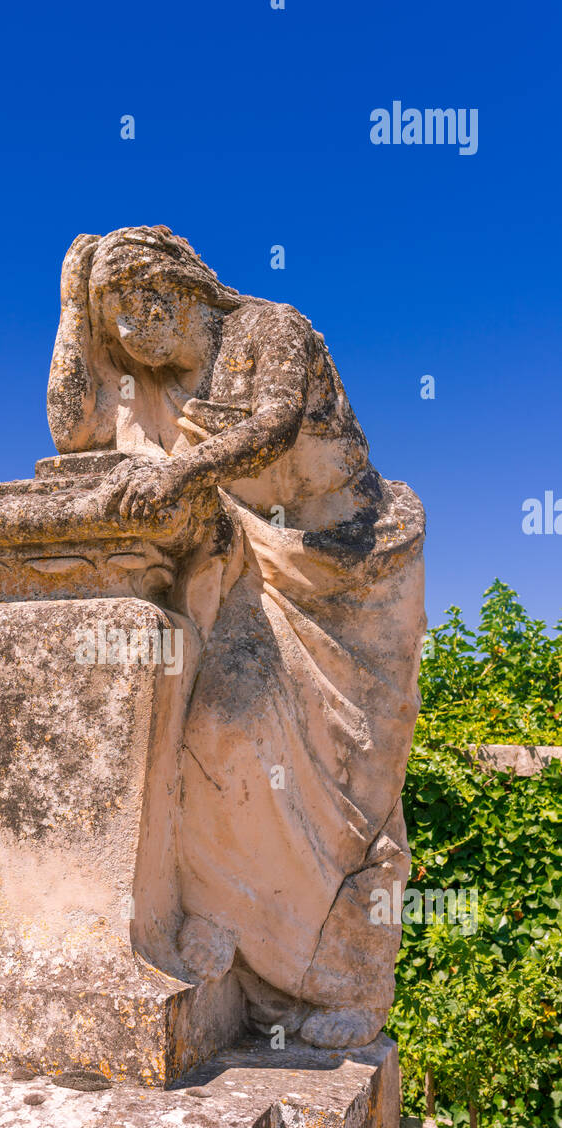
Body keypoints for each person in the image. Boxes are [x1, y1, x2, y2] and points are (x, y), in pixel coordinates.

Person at [47, 226, 426, 1048]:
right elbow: (71, 436)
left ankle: (349, 976)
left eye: (143, 303)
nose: (132, 330)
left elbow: (277, 423)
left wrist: (178, 472)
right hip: (253, 562)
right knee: (219, 731)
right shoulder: (140, 379)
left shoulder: (269, 326)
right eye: (114, 319)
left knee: (350, 780)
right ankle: (231, 929)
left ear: (185, 287)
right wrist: (71, 308)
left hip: (352, 568)